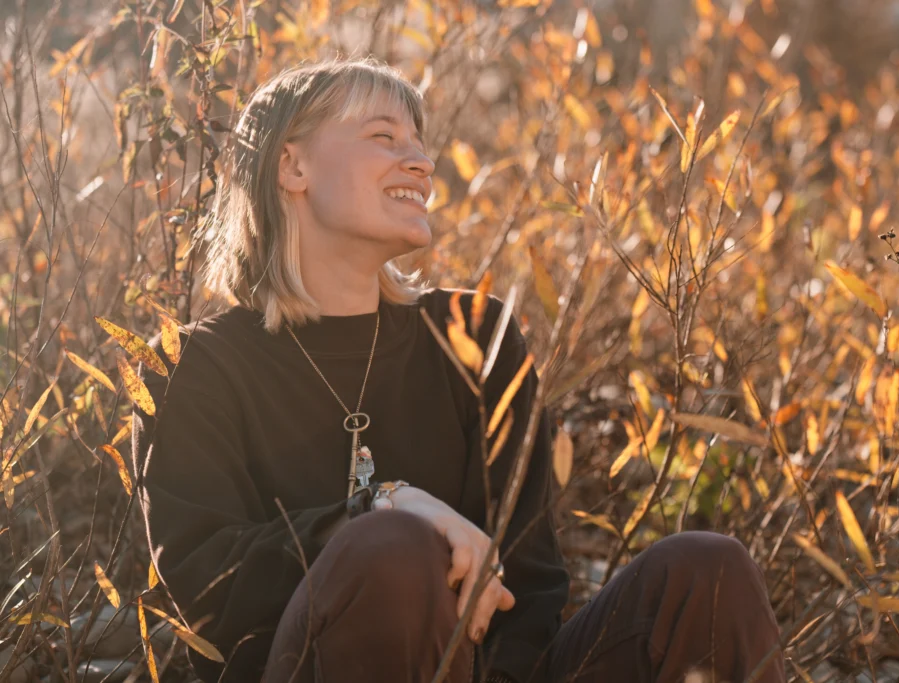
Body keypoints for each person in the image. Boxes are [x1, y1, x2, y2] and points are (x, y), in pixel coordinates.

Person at [131, 57, 785, 683]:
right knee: (391, 549)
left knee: (707, 570)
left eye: (420, 141)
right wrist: (374, 510)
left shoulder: (475, 338)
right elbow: (207, 592)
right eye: (383, 136)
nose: (421, 160)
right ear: (292, 165)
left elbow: (529, 581)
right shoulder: (191, 366)